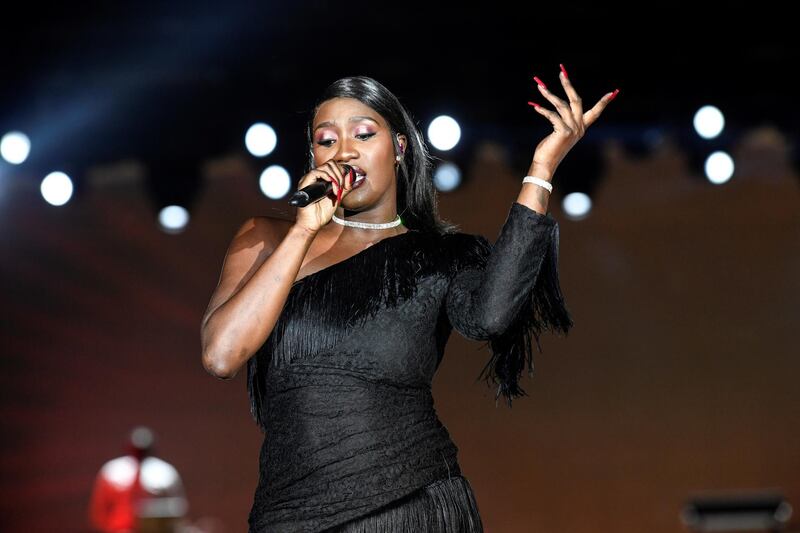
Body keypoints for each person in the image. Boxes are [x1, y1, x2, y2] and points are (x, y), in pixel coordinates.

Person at [201, 70, 617, 532]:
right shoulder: (265, 240)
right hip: (291, 513)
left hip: (407, 504)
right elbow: (222, 354)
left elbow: (493, 316)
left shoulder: (439, 257)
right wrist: (303, 231)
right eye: (325, 140)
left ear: (399, 148)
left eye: (363, 133)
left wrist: (540, 170)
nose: (344, 151)